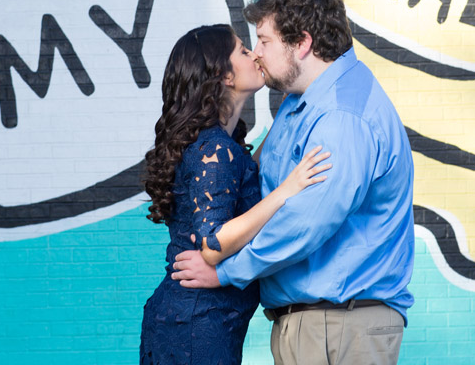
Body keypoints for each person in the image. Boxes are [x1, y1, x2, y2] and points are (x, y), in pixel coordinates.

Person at [171, 0, 415, 365]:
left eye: (264, 41)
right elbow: (259, 184)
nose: (258, 55)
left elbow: (305, 225)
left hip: (340, 326)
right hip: (312, 325)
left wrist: (226, 271)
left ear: (301, 42)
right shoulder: (298, 103)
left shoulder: (341, 117)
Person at [140, 23, 332, 365]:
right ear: (224, 75)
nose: (255, 54)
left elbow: (243, 178)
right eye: (244, 50)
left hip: (197, 320)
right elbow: (213, 245)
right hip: (197, 327)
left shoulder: (223, 147)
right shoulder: (214, 150)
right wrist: (286, 191)